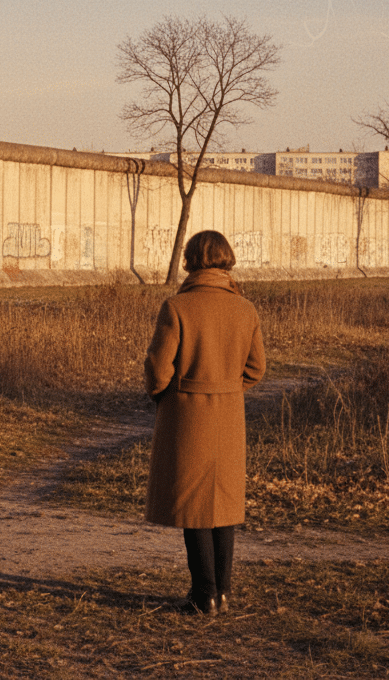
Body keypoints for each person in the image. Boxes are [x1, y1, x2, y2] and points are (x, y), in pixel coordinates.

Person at [144, 230, 266, 615]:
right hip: (229, 416)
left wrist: (165, 394)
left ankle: (203, 596)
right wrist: (229, 388)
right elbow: (257, 369)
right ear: (227, 260)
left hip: (186, 415)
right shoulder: (246, 309)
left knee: (194, 504)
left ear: (190, 260)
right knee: (223, 506)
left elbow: (158, 369)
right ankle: (223, 593)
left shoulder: (177, 307)